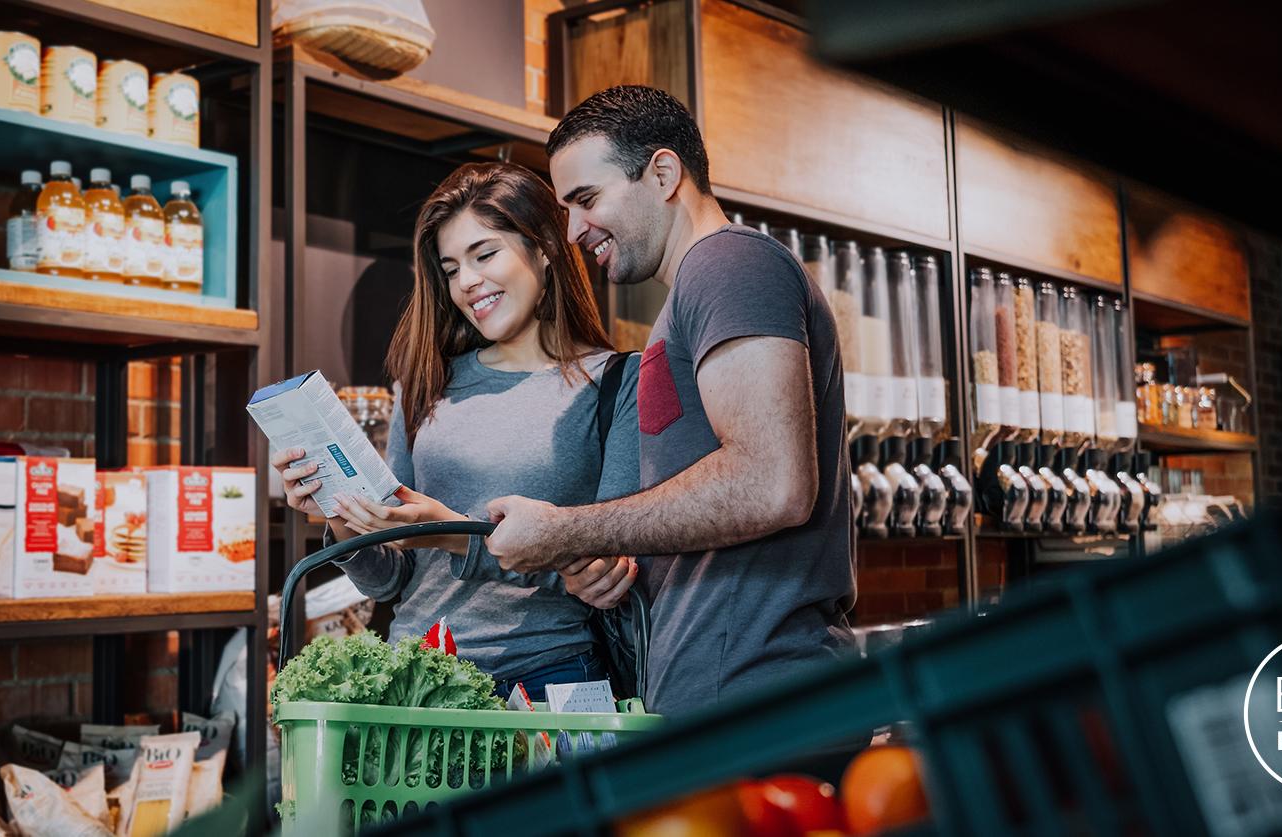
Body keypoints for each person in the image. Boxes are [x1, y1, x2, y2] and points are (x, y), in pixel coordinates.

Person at [484, 86, 857, 714]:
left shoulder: (730, 264)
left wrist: (565, 529)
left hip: (762, 697)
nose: (573, 231)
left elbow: (772, 483)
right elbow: (708, 501)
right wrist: (610, 559)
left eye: (586, 199)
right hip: (717, 693)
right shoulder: (687, 297)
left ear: (662, 173)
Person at [270, 162, 642, 700]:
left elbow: (606, 575)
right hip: (415, 681)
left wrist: (450, 530)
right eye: (450, 268)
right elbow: (390, 580)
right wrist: (342, 514)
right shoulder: (425, 383)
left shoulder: (613, 385)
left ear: (545, 250)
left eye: (484, 254)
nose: (467, 283)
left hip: (549, 681)